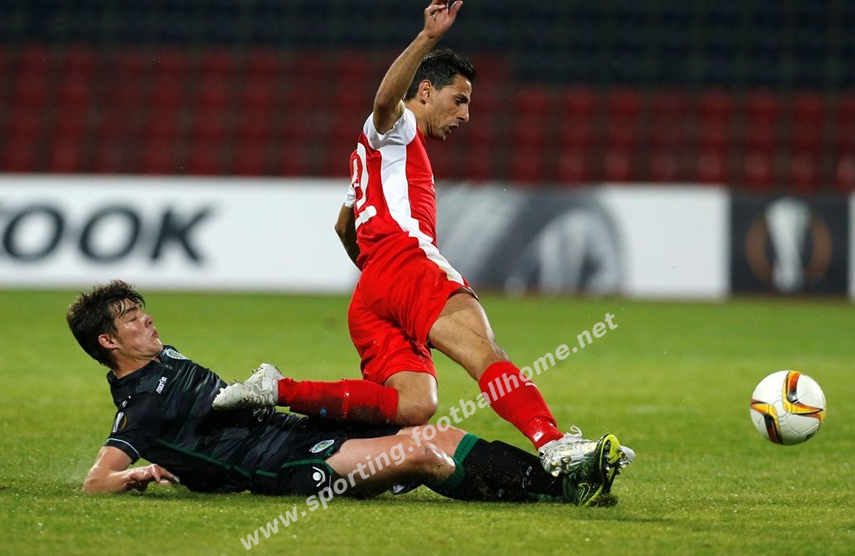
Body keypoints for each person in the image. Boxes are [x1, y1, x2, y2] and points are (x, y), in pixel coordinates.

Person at [213, 0, 634, 478]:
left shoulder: (367, 158)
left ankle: (276, 389)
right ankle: (554, 444)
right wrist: (428, 38)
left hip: (372, 289)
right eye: (460, 99)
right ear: (427, 91)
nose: (466, 114)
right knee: (485, 353)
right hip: (406, 263)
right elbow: (383, 103)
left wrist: (379, 277)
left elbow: (342, 227)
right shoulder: (398, 128)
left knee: (414, 404)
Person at [67, 280, 623, 506]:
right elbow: (97, 480)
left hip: (291, 432)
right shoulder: (139, 405)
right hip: (277, 466)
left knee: (437, 433)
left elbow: (191, 430)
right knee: (422, 453)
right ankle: (562, 494)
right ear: (108, 342)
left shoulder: (163, 357)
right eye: (133, 319)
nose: (148, 321)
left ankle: (562, 479)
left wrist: (178, 463)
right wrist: (139, 473)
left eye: (141, 312)